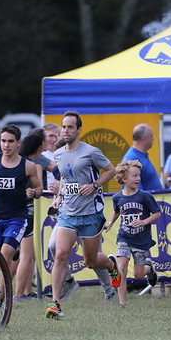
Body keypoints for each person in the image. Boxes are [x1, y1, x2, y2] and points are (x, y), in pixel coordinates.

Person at [46, 111, 119, 319]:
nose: (66, 130)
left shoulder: (91, 152)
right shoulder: (59, 154)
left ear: (79, 130)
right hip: (68, 213)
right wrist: (59, 196)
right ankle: (56, 303)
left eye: (70, 127)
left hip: (90, 214)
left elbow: (111, 171)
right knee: (60, 254)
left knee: (91, 261)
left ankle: (111, 264)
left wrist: (94, 185)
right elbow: (65, 179)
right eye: (63, 127)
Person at [0, 125, 43, 304]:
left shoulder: (28, 166)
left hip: (17, 219)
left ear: (18, 143)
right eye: (3, 141)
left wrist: (34, 192)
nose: (6, 145)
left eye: (10, 141)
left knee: (4, 256)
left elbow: (39, 187)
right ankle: (13, 251)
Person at [105, 160, 160, 306]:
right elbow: (117, 211)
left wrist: (144, 221)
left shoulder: (144, 196)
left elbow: (157, 213)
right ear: (124, 179)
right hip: (124, 237)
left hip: (141, 239)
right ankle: (123, 303)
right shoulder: (117, 197)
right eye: (134, 176)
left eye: (139, 175)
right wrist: (110, 223)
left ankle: (149, 268)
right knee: (121, 268)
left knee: (138, 274)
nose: (138, 179)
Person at [15, 129, 49, 301]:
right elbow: (39, 190)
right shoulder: (33, 165)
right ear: (40, 147)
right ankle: (19, 294)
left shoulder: (19, 162)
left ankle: (26, 292)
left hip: (18, 213)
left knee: (27, 256)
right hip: (28, 214)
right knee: (27, 257)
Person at [122, 123, 162, 190]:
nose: (153, 138)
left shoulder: (141, 156)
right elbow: (133, 190)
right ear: (144, 138)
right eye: (151, 136)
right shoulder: (131, 159)